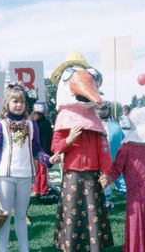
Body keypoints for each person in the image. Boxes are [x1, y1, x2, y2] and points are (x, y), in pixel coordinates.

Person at [50, 51, 114, 251]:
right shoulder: (64, 117)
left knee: (93, 211)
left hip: (92, 174)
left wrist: (107, 172)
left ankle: (93, 245)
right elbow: (55, 146)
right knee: (72, 212)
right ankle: (70, 245)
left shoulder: (95, 120)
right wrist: (69, 140)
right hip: (72, 173)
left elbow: (103, 149)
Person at [0, 83, 60, 252]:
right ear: (7, 103)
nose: (19, 105)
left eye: (22, 102)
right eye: (15, 101)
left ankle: (24, 249)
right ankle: (2, 249)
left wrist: (49, 160)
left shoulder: (31, 124)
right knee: (4, 216)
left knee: (20, 216)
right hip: (5, 176)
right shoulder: (0, 125)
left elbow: (37, 150)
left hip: (26, 176)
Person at [99, 107, 145, 252]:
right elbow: (117, 168)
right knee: (138, 220)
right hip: (135, 191)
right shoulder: (126, 148)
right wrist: (108, 177)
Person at [96, 101, 126, 209]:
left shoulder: (95, 127)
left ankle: (106, 199)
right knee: (119, 176)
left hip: (102, 158)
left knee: (103, 176)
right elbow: (124, 141)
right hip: (116, 156)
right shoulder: (116, 127)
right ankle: (130, 194)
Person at [32, 102, 56, 203]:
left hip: (42, 153)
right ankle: (38, 189)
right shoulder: (44, 124)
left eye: (36, 113)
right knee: (38, 172)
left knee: (42, 173)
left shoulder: (40, 125)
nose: (34, 115)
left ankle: (42, 190)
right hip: (41, 152)